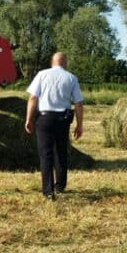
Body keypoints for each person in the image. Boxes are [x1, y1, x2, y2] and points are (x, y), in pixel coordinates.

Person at [24, 52, 84, 200]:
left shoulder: (42, 74)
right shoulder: (71, 78)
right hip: (63, 119)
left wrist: (28, 119)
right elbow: (78, 103)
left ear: (52, 62)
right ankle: (60, 186)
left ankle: (48, 191)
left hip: (45, 118)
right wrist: (79, 124)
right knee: (61, 152)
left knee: (46, 154)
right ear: (65, 62)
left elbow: (33, 97)